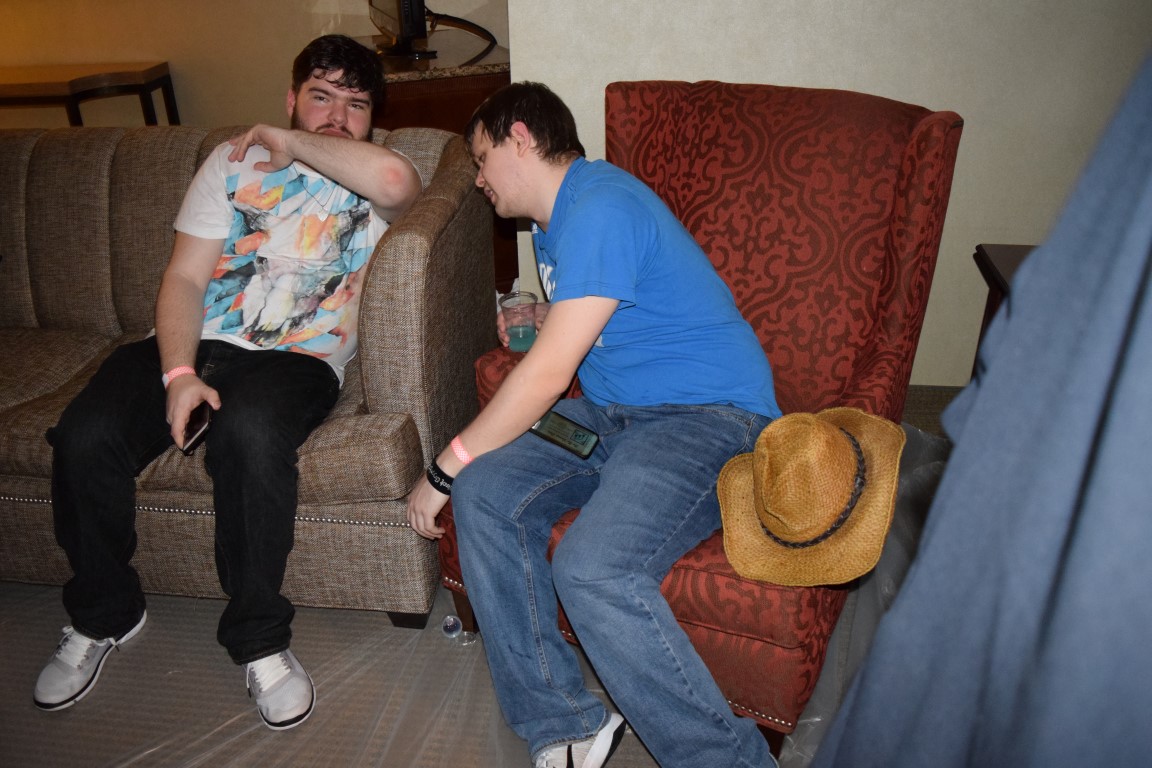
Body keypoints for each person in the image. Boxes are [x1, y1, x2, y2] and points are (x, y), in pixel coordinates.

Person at [33, 34, 421, 730]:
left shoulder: (372, 176)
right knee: (85, 436)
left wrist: (295, 142)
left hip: (297, 361)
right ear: (291, 97)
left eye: (356, 104)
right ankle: (103, 615)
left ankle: (259, 640)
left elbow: (397, 184)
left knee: (249, 437)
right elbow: (184, 278)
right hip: (194, 343)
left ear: (372, 119)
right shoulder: (232, 162)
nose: (337, 116)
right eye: (320, 97)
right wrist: (179, 373)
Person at [407, 82, 783, 768]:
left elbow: (547, 377)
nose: (480, 178)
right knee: (485, 492)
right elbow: (605, 315)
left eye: (483, 159)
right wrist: (547, 317)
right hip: (613, 417)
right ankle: (564, 722)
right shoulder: (555, 224)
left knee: (592, 569)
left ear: (521, 138)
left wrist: (443, 466)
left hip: (705, 420)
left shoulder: (601, 206)